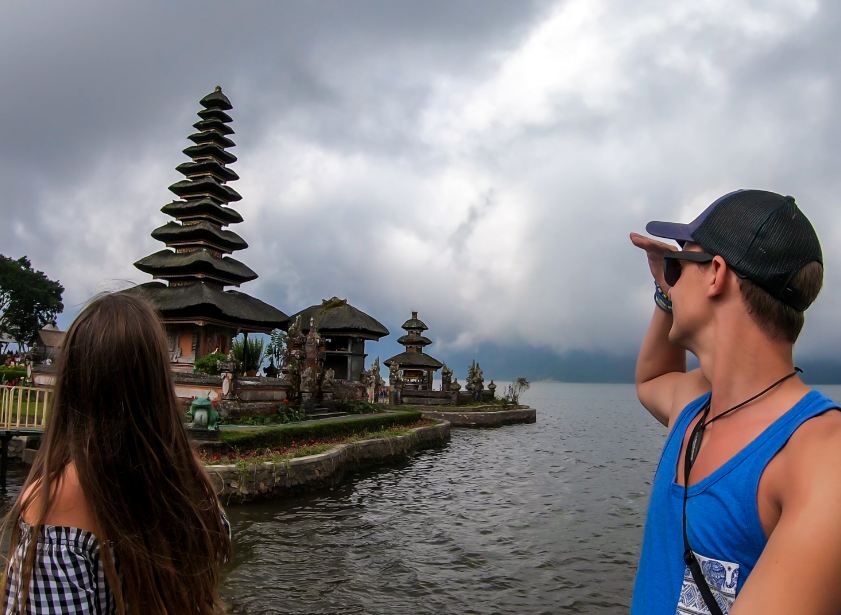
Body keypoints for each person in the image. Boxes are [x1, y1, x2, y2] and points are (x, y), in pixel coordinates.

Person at [629, 189, 841, 615]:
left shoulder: (820, 457)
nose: (669, 282)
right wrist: (666, 292)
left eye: (677, 267)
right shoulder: (695, 405)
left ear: (716, 274)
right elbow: (652, 378)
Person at [1, 293, 231, 614]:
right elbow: (218, 545)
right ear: (159, 384)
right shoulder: (185, 477)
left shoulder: (55, 499)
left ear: (73, 380)